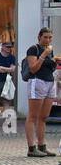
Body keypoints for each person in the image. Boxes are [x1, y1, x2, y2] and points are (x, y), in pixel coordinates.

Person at [24, 28, 56, 157]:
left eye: (50, 37)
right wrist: (43, 55)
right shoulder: (33, 49)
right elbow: (33, 68)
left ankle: (42, 146)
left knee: (44, 116)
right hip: (37, 82)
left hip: (49, 82)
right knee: (33, 116)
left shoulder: (50, 50)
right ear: (39, 37)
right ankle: (31, 148)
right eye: (45, 37)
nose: (48, 40)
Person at [0, 39, 17, 126]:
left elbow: (13, 69)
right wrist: (7, 69)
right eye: (7, 47)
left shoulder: (12, 57)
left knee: (6, 101)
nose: (9, 48)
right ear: (3, 47)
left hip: (7, 82)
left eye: (10, 47)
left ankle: (7, 120)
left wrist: (2, 68)